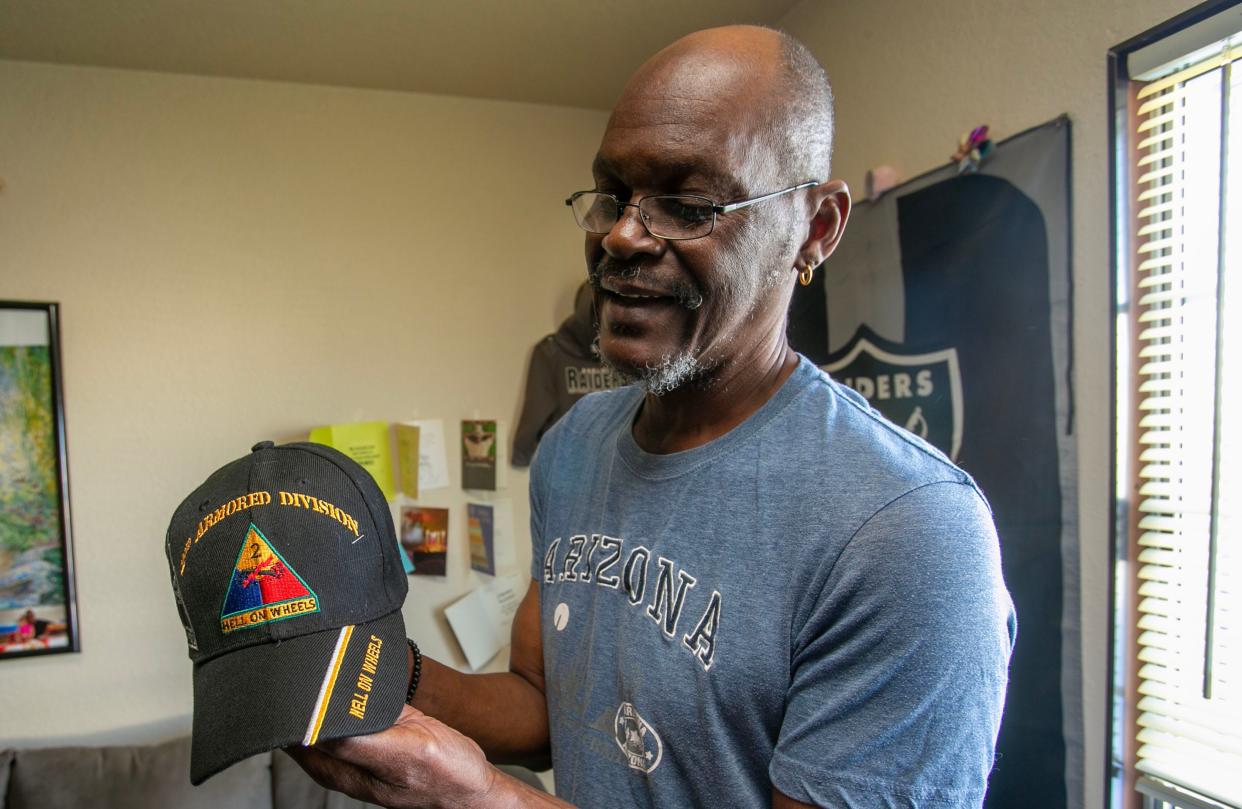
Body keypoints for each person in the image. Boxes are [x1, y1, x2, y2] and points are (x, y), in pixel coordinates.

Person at [290, 25, 1015, 808]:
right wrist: (379, 671)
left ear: (816, 228)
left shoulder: (907, 532)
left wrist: (474, 798)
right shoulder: (575, 444)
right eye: (614, 193)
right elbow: (547, 705)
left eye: (689, 204)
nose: (623, 234)